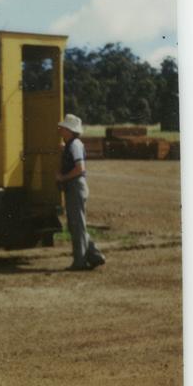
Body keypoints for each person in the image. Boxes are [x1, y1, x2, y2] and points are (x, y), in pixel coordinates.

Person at [55, 114, 106, 271]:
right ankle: (94, 255)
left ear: (70, 130)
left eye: (63, 128)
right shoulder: (72, 144)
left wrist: (63, 177)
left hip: (75, 186)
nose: (61, 130)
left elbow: (80, 168)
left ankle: (80, 261)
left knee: (77, 224)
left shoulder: (75, 145)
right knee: (76, 224)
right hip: (75, 187)